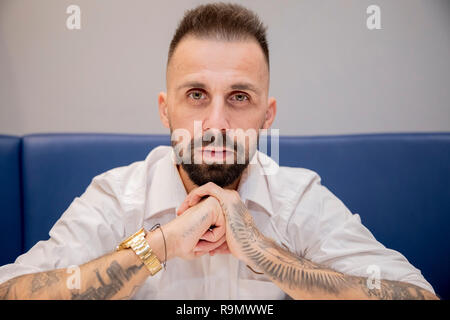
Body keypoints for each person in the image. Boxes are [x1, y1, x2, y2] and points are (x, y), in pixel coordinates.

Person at [0, 3, 438, 300]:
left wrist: (266, 254)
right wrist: (160, 245)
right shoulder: (119, 197)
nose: (215, 123)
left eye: (239, 97)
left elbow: (418, 295)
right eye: (195, 95)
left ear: (268, 115)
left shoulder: (296, 198)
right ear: (164, 109)